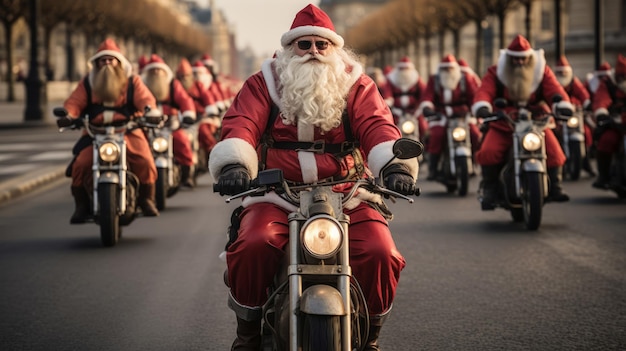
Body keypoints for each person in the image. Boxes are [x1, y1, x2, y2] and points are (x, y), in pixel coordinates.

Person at [208, 4, 418, 350]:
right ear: (289, 49)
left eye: (322, 45)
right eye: (303, 45)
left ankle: (372, 337)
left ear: (335, 49)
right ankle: (246, 333)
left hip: (348, 191)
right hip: (277, 193)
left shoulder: (356, 84)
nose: (313, 53)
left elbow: (377, 124)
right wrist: (235, 164)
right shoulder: (264, 83)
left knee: (381, 251)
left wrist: (392, 166)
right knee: (253, 244)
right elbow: (243, 122)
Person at [57, 38, 161, 222]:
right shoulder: (88, 83)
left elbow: (145, 99)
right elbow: (74, 102)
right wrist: (68, 115)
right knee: (80, 165)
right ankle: (81, 205)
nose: (107, 63)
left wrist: (150, 112)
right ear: (96, 63)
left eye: (111, 59)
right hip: (95, 133)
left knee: (145, 160)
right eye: (102, 60)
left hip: (127, 131)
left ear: (119, 62)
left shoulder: (132, 82)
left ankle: (146, 199)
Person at [472, 34, 574, 205]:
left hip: (536, 123)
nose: (520, 63)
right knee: (489, 151)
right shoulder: (495, 72)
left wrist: (562, 104)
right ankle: (490, 188)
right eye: (515, 59)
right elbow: (485, 90)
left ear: (530, 58)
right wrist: (483, 106)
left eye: (523, 59)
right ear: (509, 59)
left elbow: (554, 89)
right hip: (503, 123)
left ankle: (555, 185)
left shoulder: (542, 71)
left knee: (555, 152)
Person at [418, 54, 482, 180]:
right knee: (437, 135)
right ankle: (433, 167)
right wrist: (427, 108)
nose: (448, 71)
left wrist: (477, 108)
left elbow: (473, 96)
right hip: (440, 116)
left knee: (475, 134)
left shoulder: (464, 79)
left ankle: (474, 162)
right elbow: (428, 96)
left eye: (451, 68)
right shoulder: (434, 80)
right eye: (445, 69)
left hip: (462, 117)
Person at [141, 54, 198, 187]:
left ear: (164, 71)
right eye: (153, 70)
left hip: (170, 126)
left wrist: (188, 114)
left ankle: (187, 173)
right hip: (148, 127)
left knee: (182, 142)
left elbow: (185, 100)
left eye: (158, 69)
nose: (156, 72)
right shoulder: (143, 85)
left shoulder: (173, 85)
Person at [553, 55, 595, 176]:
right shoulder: (554, 82)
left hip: (574, 115)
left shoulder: (573, 82)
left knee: (586, 132)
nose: (563, 74)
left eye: (565, 72)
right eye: (560, 72)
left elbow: (582, 93)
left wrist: (587, 103)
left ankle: (585, 160)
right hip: (559, 117)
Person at [590, 54, 626, 191]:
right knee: (606, 141)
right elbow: (601, 99)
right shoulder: (608, 83)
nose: (623, 79)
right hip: (615, 124)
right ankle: (603, 176)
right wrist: (601, 113)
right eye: (621, 77)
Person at [176, 58, 221, 164]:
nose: (184, 78)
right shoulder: (176, 86)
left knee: (204, 131)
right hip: (181, 119)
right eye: (182, 76)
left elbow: (207, 97)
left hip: (201, 117)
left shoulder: (198, 85)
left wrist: (211, 108)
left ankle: (213, 153)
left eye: (187, 75)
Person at [386, 56, 429, 140]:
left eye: (406, 69)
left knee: (423, 128)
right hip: (397, 112)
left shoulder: (416, 79)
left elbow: (424, 94)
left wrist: (424, 106)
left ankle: (424, 145)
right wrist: (388, 102)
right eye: (402, 69)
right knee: (391, 129)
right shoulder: (391, 79)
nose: (404, 71)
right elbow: (388, 94)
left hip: (414, 111)